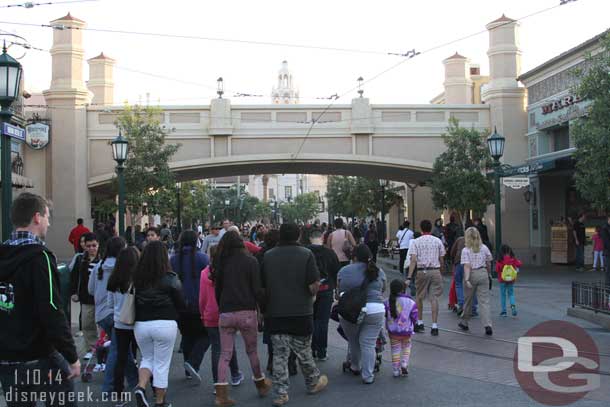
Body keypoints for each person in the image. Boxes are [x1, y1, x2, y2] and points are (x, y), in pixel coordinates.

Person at [0, 192, 80, 405]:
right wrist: (71, 355)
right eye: (47, 216)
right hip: (39, 356)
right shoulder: (40, 257)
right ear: (37, 217)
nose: (49, 223)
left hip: (7, 359)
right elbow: (52, 310)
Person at [262, 224, 328, 406]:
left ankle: (281, 393)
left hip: (275, 312)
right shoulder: (306, 254)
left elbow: (263, 285)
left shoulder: (268, 256)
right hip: (301, 311)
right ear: (298, 236)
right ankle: (313, 382)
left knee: (280, 354)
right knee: (304, 351)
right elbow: (313, 284)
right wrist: (313, 296)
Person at [212, 231, 271, 405]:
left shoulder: (221, 263)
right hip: (247, 311)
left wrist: (222, 306)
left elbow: (218, 290)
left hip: (226, 312)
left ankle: (221, 394)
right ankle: (260, 384)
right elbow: (257, 290)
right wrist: (263, 307)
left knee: (225, 354)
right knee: (252, 351)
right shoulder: (251, 261)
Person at [133, 241, 185, 407]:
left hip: (141, 323)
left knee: (147, 359)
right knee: (162, 364)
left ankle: (141, 387)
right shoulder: (170, 278)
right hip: (165, 322)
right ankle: (160, 401)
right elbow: (180, 302)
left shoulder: (137, 278)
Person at [338, 244, 386, 384]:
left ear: (354, 256)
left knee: (353, 340)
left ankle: (355, 366)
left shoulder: (344, 271)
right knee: (369, 343)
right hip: (375, 309)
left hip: (350, 310)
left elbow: (338, 292)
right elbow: (382, 290)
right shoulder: (379, 271)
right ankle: (368, 376)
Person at [199, 246, 244, 392]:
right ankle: (235, 374)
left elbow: (202, 298)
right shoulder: (228, 272)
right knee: (229, 345)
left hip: (210, 313)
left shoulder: (204, 273)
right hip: (226, 311)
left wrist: (202, 313)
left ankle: (217, 382)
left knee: (217, 348)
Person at [89, 236, 127, 394]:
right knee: (118, 350)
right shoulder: (123, 267)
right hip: (116, 313)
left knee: (120, 349)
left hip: (101, 314)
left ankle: (135, 381)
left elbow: (90, 289)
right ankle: (110, 385)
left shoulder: (99, 266)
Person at [170, 230, 209, 383]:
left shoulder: (173, 259)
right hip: (198, 303)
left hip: (179, 304)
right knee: (205, 335)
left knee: (187, 335)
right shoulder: (203, 258)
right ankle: (193, 363)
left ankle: (188, 368)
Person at [107, 246, 140, 398]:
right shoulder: (139, 279)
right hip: (138, 323)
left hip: (120, 323)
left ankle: (118, 392)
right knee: (146, 356)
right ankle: (150, 388)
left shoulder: (113, 279)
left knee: (120, 357)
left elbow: (109, 304)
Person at [406, 219, 445, 336]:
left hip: (421, 271)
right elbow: (441, 258)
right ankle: (434, 326)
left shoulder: (415, 242)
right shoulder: (437, 241)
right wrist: (440, 270)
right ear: (431, 228)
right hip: (435, 270)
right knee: (434, 298)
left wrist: (409, 277)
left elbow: (413, 260)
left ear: (421, 228)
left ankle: (420, 322)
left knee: (419, 296)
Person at [306, 228, 340, 362]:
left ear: (310, 239)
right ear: (322, 238)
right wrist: (336, 290)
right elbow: (336, 272)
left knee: (311, 319)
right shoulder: (330, 253)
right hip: (326, 290)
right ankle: (322, 350)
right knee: (323, 321)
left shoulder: (305, 252)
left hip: (309, 291)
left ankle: (312, 348)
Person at [254, 229, 281, 374]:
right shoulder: (281, 253)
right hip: (280, 295)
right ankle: (285, 361)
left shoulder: (260, 254)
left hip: (266, 296)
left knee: (270, 329)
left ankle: (271, 359)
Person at [458, 227, 494, 335]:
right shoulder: (484, 248)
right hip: (483, 273)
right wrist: (488, 274)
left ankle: (465, 322)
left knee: (468, 300)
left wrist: (467, 279)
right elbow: (489, 262)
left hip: (472, 274)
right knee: (484, 301)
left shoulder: (466, 250)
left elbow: (467, 266)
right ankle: (487, 325)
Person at [71, 232, 101, 358]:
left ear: (98, 245)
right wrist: (74, 292)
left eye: (94, 245)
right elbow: (74, 277)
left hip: (100, 299)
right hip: (86, 298)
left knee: (100, 325)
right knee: (87, 324)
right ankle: (91, 348)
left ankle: (101, 349)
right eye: (88, 246)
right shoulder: (80, 259)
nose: (91, 249)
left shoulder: (103, 259)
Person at [384, 279, 417, 377]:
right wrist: (412, 325)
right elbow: (414, 316)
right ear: (403, 289)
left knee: (395, 350)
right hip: (406, 331)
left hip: (393, 332)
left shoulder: (387, 302)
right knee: (407, 347)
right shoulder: (410, 302)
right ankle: (404, 363)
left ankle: (395, 370)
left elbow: (385, 314)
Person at [450, 236, 478, 316]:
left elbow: (452, 251)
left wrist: (454, 261)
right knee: (472, 285)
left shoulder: (460, 239)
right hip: (472, 264)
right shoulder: (476, 240)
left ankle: (461, 305)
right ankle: (473, 307)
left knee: (458, 284)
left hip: (459, 263)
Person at [496, 244, 522, 317]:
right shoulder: (512, 259)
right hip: (511, 279)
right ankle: (513, 308)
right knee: (511, 294)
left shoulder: (500, 260)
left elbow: (497, 269)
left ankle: (504, 311)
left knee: (503, 295)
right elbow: (519, 264)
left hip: (502, 280)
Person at [601, 215, 610, 286]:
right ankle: (608, 290)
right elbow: (607, 242)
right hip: (608, 253)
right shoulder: (605, 228)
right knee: (608, 272)